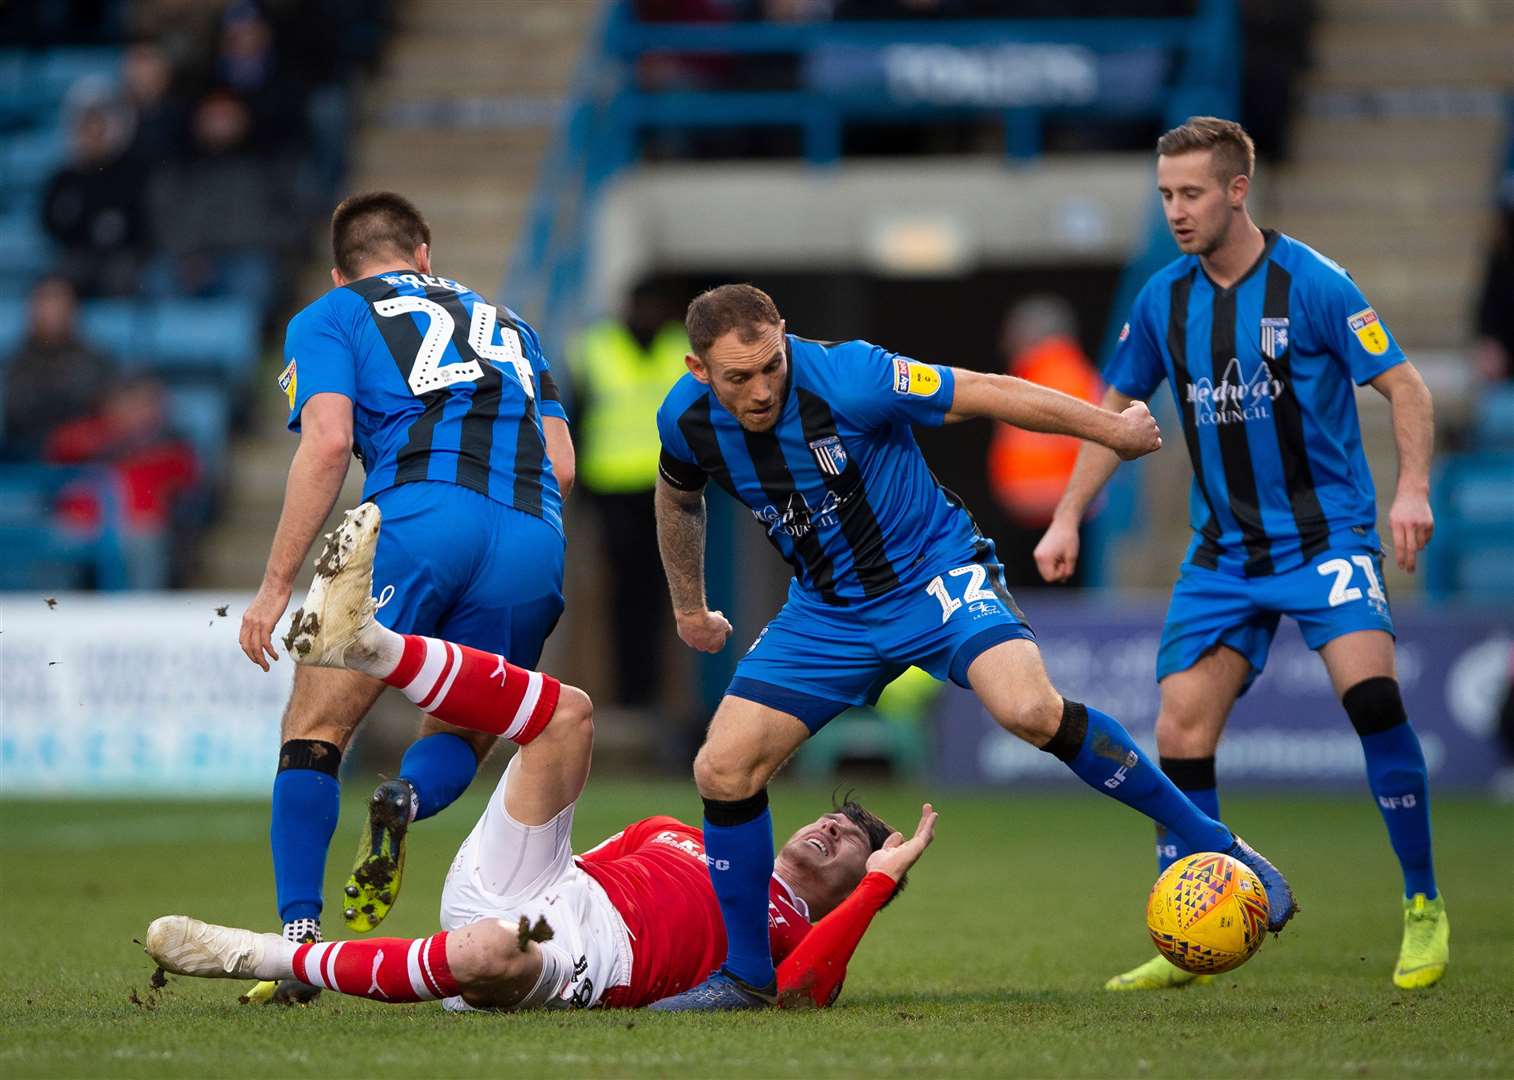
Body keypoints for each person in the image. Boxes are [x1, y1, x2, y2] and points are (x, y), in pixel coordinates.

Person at [647, 282, 1296, 1011]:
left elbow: (986, 391)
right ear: (699, 370)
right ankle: (745, 977)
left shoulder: (851, 375)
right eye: (740, 377)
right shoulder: (685, 418)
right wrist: (688, 604)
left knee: (1028, 710)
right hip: (828, 612)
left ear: (786, 338)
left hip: (935, 576)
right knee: (723, 767)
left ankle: (1218, 843)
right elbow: (677, 496)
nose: (763, 388)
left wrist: (1108, 430)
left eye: (772, 365)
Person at [148, 509, 935, 1011]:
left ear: (854, 889)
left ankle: (265, 953)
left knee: (494, 950)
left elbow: (796, 992)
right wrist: (530, 886)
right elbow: (586, 859)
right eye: (834, 821)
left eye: (851, 847)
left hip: (585, 957)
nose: (830, 833)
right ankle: (370, 643)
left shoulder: (790, 938)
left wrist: (878, 885)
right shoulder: (686, 834)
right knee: (569, 715)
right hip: (543, 885)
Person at [1034, 116, 1448, 991]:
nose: (1176, 212)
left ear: (1235, 190)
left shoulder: (1316, 284)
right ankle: (1188, 920)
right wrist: (1070, 513)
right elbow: (1113, 415)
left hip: (1325, 535)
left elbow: (1404, 384)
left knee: (1371, 696)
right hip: (1224, 552)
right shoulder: (1163, 300)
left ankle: (1422, 902)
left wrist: (1411, 490)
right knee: (1181, 725)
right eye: (1164, 196)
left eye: (1190, 194)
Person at [236, 191, 574, 1002]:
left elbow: (327, 440)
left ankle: (298, 944)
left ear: (339, 267)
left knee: (316, 727)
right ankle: (408, 797)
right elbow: (563, 464)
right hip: (533, 536)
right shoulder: (513, 325)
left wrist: (275, 584)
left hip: (418, 514)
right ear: (424, 252)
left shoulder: (330, 314)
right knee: (462, 727)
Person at [572, 281, 690, 707]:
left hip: (669, 489)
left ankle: (654, 694)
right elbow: (578, 418)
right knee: (620, 594)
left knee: (668, 593)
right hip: (611, 491)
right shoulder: (596, 346)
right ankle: (626, 693)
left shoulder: (681, 347)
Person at [985, 295, 1103, 585]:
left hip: (1053, 522)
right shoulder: (1041, 373)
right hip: (1041, 518)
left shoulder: (1055, 376)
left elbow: (1090, 450)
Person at [1, 276, 115, 459]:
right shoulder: (14, 363)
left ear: (74, 309)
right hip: (25, 456)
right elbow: (18, 415)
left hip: (84, 460)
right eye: (44, 301)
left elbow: (103, 412)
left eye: (58, 301)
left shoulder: (97, 360)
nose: (51, 311)